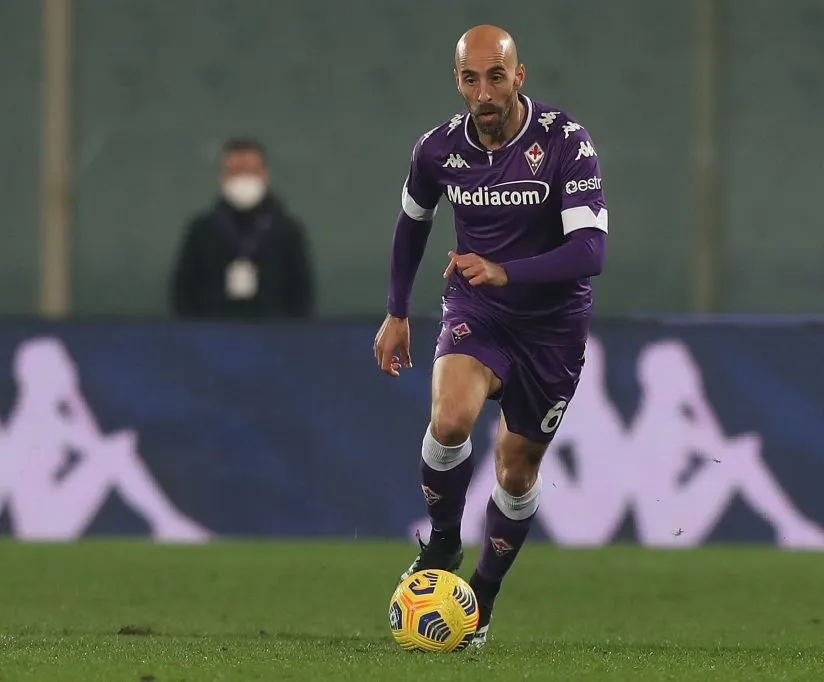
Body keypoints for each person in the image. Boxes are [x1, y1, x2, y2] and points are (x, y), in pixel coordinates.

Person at [373, 25, 608, 648]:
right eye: (471, 78)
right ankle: (443, 540)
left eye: (496, 77)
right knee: (450, 420)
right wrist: (397, 311)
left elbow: (590, 250)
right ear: (458, 81)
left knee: (516, 469)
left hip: (553, 326)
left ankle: (482, 597)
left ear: (519, 77)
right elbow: (413, 222)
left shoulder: (565, 143)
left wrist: (510, 270)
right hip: (477, 305)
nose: (484, 92)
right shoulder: (437, 150)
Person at [170, 138, 315, 319]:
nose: (243, 178)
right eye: (235, 171)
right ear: (222, 177)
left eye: (250, 171)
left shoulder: (286, 230)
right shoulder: (202, 230)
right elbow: (183, 291)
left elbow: (302, 293)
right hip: (211, 335)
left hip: (274, 335)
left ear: (264, 175)